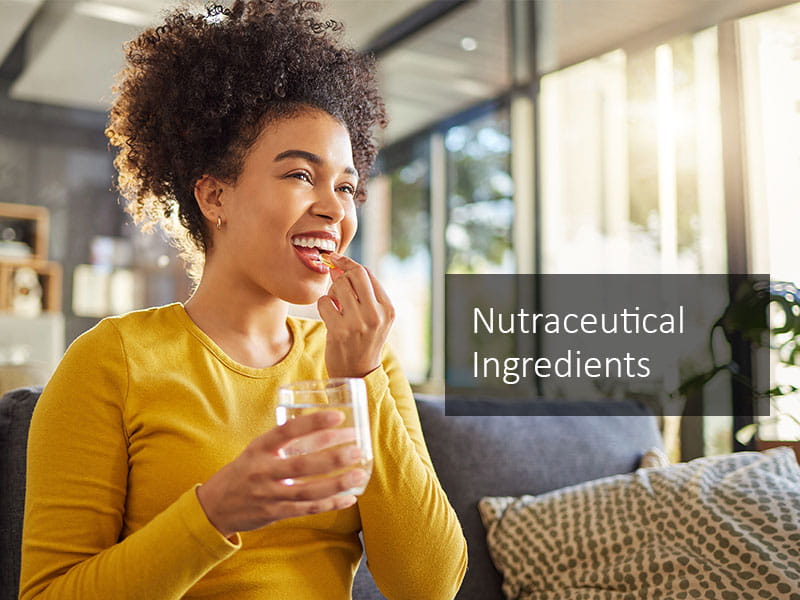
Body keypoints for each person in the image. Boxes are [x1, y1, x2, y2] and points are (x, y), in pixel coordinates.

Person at [18, 1, 467, 598]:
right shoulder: (113, 361)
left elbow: (428, 585)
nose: (335, 208)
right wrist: (214, 512)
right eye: (299, 175)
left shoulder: (363, 359)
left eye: (346, 185)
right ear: (214, 196)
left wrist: (358, 383)